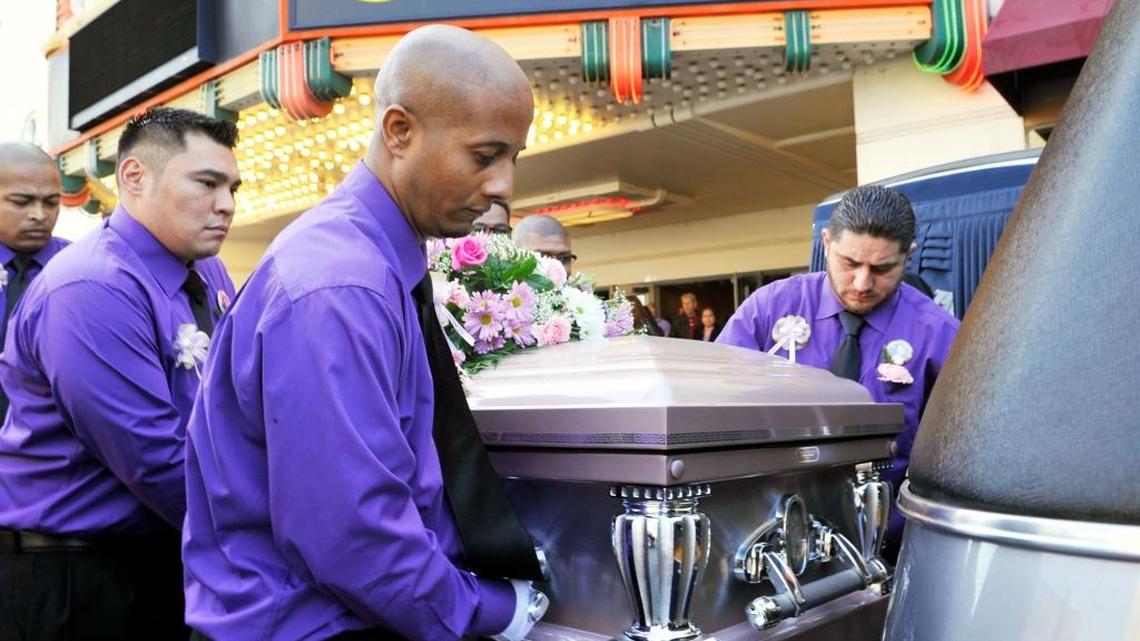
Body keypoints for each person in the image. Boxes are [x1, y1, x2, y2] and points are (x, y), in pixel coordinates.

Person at [183, 25, 548, 641]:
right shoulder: (341, 285)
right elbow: (354, 536)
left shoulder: (373, 262)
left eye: (513, 159)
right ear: (399, 131)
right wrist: (500, 612)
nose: (502, 188)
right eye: (485, 156)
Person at [0, 108, 239, 640]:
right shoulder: (92, 287)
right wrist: (279, 534)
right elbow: (152, 456)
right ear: (134, 177)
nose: (226, 205)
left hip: (167, 551)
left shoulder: (209, 269)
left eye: (232, 187)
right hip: (79, 576)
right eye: (206, 183)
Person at [717, 185, 959, 554]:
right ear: (827, 243)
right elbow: (713, 403)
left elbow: (956, 453)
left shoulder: (937, 333)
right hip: (767, 536)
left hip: (882, 542)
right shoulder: (769, 308)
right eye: (850, 263)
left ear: (908, 256)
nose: (863, 284)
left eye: (882, 268)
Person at [0, 143, 71, 418]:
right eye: (21, 201)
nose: (39, 215)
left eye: (51, 202)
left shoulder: (82, 269)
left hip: (55, 449)